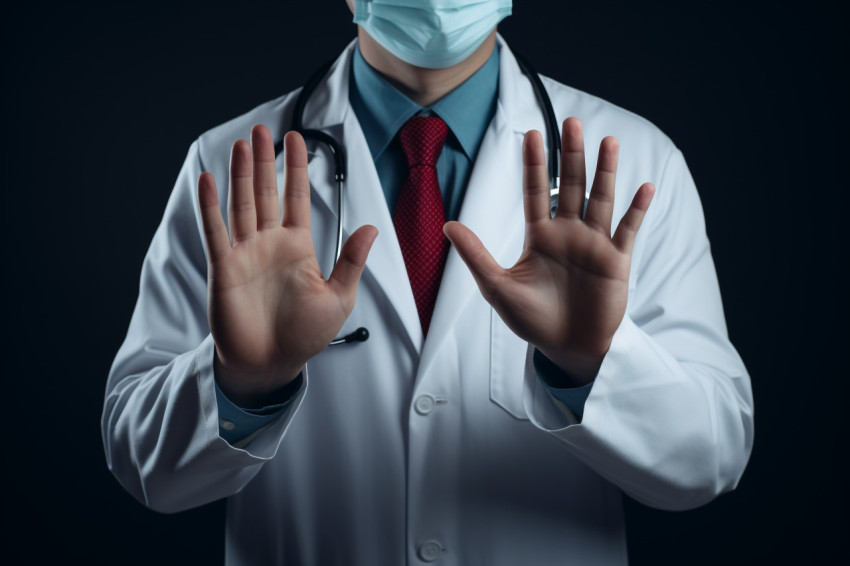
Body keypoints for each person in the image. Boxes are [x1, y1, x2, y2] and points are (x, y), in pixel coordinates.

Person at [102, 1, 754, 564]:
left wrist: (591, 364)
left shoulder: (639, 162)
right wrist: (239, 384)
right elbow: (143, 467)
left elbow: (710, 459)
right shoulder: (230, 166)